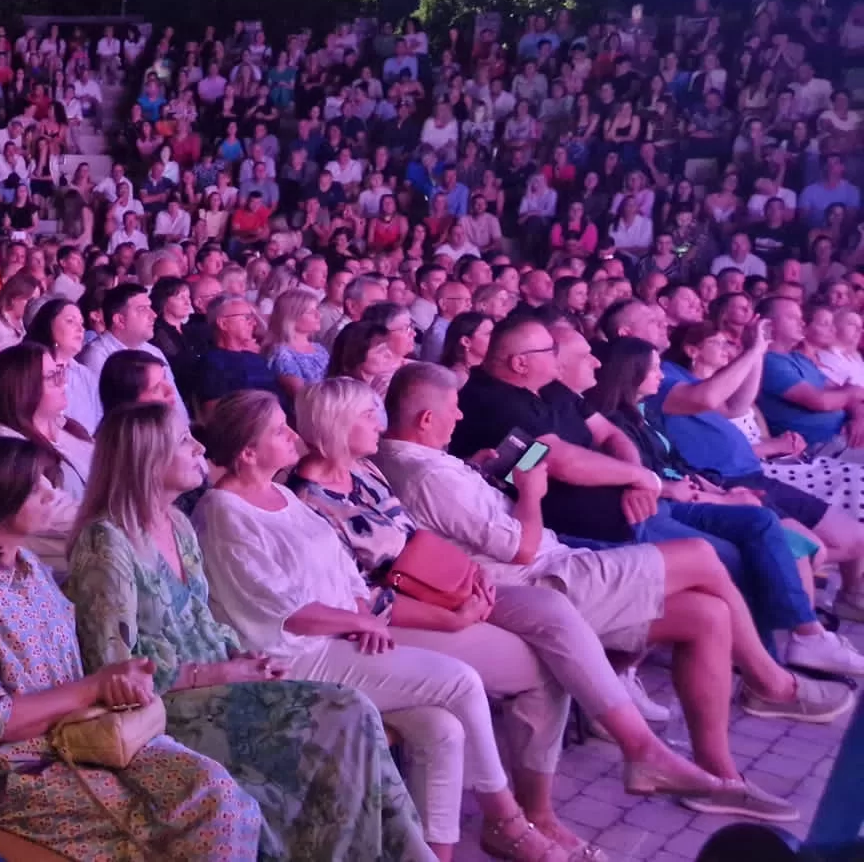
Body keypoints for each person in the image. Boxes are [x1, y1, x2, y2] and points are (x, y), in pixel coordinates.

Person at [376, 362, 854, 821]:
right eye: (453, 408)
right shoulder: (428, 474)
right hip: (544, 579)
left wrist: (477, 471)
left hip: (556, 566)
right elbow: (521, 549)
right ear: (426, 419)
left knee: (706, 614)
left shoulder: (426, 462)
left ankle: (719, 778)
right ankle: (770, 684)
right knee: (701, 556)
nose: (460, 416)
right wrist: (530, 492)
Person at [293, 378, 727, 843]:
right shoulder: (310, 502)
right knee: (543, 665)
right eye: (367, 415)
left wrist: (467, 573)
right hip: (394, 618)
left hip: (441, 588)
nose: (379, 423)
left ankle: (635, 753)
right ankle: (525, 817)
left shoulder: (363, 469)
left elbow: (416, 538)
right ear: (337, 424)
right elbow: (356, 596)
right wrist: (451, 616)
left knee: (552, 609)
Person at [197, 389, 576, 861]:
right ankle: (507, 820)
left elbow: (341, 571)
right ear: (248, 453)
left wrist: (359, 614)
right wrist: (358, 620)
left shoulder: (280, 495)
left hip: (335, 639)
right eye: (278, 431)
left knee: (442, 729)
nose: (293, 434)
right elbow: (278, 607)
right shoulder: (224, 511)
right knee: (460, 681)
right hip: (289, 659)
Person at [65, 401, 432, 862]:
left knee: (353, 715)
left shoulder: (176, 523)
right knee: (345, 709)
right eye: (183, 441)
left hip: (221, 684)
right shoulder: (107, 542)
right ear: (148, 460)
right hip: (169, 709)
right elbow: (112, 669)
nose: (199, 448)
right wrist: (215, 674)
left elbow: (202, 620)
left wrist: (241, 658)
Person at [0, 433, 264, 861]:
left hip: (82, 740)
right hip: (14, 773)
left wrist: (117, 683)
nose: (51, 493)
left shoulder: (27, 565)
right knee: (184, 826)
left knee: (220, 795)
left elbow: (69, 674)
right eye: (35, 487)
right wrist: (94, 687)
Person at [584, 336, 864, 676]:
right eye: (654, 368)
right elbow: (639, 477)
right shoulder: (607, 416)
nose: (661, 374)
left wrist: (715, 489)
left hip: (689, 489)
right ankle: (777, 662)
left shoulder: (643, 412)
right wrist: (719, 497)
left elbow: (670, 464)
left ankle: (800, 641)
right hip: (656, 507)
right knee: (750, 549)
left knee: (772, 529)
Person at [0, 342, 93, 570]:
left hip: (95, 544)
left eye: (60, 373)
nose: (64, 382)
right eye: (52, 377)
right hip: (53, 565)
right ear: (24, 387)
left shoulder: (64, 426)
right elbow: (50, 510)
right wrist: (116, 515)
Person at [758, 295, 864, 461]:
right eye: (792, 317)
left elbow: (844, 395)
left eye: (800, 318)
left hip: (846, 437)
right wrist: (853, 391)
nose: (801, 323)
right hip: (819, 448)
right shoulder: (769, 362)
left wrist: (859, 417)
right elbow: (821, 401)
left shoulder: (799, 359)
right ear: (768, 324)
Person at [80, 282, 190, 425]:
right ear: (120, 320)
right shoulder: (96, 356)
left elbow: (178, 408)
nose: (153, 315)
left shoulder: (154, 351)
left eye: (150, 307)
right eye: (142, 309)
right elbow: (99, 416)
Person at [27, 296, 102, 433]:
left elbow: (98, 425)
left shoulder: (86, 376)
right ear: (48, 325)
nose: (80, 329)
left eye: (82, 323)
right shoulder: (28, 369)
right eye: (70, 321)